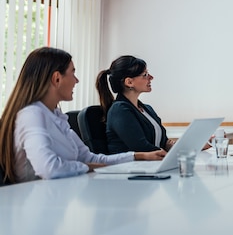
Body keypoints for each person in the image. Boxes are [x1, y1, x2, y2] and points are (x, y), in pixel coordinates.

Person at [0, 47, 165, 184]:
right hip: (34, 200)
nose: (77, 80)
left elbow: (89, 157)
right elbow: (50, 169)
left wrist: (138, 156)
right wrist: (87, 166)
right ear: (57, 78)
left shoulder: (56, 116)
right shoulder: (32, 115)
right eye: (72, 73)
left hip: (58, 194)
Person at [96, 55, 175, 154]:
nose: (151, 77)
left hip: (151, 164)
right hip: (129, 167)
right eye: (145, 74)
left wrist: (177, 146)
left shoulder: (147, 109)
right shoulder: (119, 110)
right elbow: (141, 147)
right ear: (129, 82)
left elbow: (163, 142)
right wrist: (172, 155)